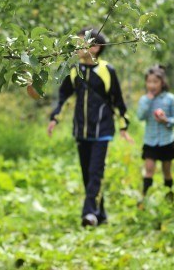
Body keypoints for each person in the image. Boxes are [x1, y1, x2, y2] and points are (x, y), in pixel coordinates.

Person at [47, 27, 134, 227]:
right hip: (81, 131)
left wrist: (123, 126)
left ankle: (88, 214)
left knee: (96, 172)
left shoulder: (107, 70)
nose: (77, 46)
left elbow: (117, 100)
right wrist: (55, 118)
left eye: (81, 42)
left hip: (102, 131)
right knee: (87, 174)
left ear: (95, 48)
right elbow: (65, 98)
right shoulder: (74, 70)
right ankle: (99, 214)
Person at [137, 65, 174, 203]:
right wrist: (148, 101)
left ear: (162, 83)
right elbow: (140, 117)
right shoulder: (144, 100)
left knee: (166, 171)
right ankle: (144, 197)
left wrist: (166, 120)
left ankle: (169, 197)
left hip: (166, 141)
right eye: (149, 82)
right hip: (150, 141)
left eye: (155, 82)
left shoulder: (170, 99)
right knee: (149, 169)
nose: (152, 85)